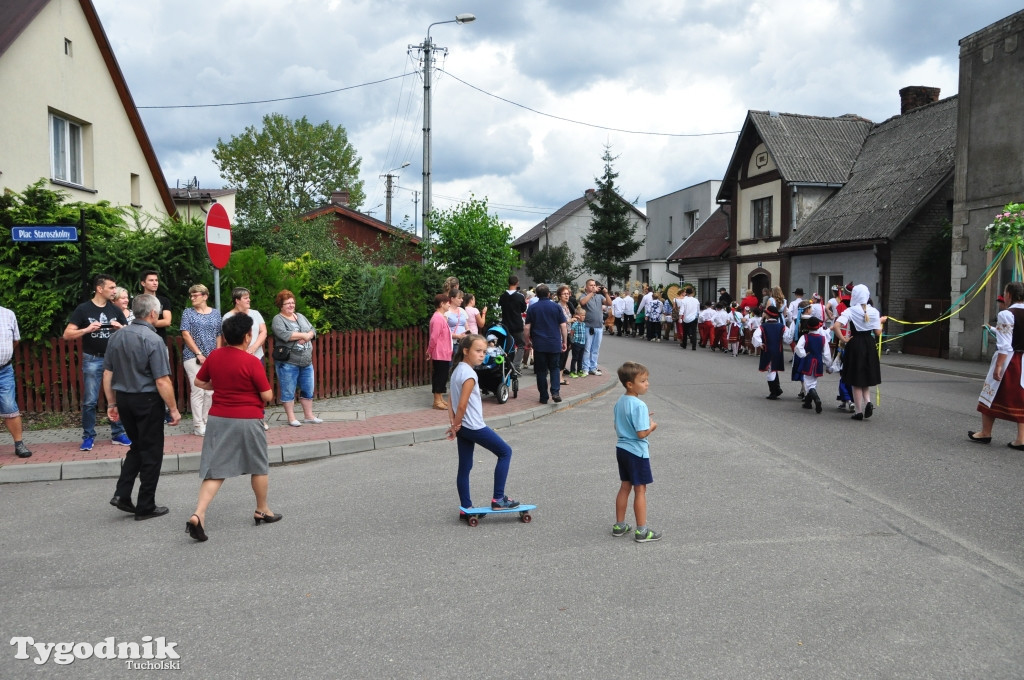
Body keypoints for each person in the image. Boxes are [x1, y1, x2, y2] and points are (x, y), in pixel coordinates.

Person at [185, 313, 279, 542]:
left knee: (215, 468)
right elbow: (267, 395)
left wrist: (217, 385)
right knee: (259, 466)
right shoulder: (251, 362)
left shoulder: (215, 356)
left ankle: (199, 513)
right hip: (247, 419)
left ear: (225, 336)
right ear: (247, 337)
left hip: (218, 419)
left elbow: (199, 381)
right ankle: (262, 509)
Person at [104, 294, 182, 520]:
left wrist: (111, 402)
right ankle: (145, 505)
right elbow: (162, 380)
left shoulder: (117, 336)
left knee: (137, 447)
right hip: (147, 400)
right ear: (152, 313)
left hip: (124, 399)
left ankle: (122, 494)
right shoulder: (153, 339)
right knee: (152, 452)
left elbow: (108, 372)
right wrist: (174, 409)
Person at [447, 334, 519, 519]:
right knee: (505, 452)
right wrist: (456, 425)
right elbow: (461, 404)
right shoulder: (469, 374)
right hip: (473, 426)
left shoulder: (456, 370)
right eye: (478, 351)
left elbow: (451, 401)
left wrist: (454, 424)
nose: (482, 355)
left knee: (465, 466)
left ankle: (466, 507)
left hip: (463, 427)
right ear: (465, 351)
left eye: (484, 352)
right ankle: (498, 499)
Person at [63, 273, 130, 451]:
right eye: (111, 288)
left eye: (115, 288)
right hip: (92, 358)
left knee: (117, 397)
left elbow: (130, 334)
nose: (114, 291)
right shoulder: (83, 309)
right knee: (90, 400)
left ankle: (118, 433)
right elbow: (67, 334)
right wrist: (86, 329)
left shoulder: (115, 310)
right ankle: (88, 436)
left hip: (113, 360)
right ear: (100, 289)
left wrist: (121, 328)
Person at [612, 361, 660, 543]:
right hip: (636, 452)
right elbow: (641, 434)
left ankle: (620, 525)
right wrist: (652, 426)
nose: (647, 383)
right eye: (643, 381)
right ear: (630, 384)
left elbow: (618, 425)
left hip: (622, 448)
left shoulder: (620, 401)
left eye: (647, 380)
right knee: (640, 489)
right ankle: (642, 530)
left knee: (625, 486)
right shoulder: (639, 405)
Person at [971, 282, 1024, 447]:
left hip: (1010, 360)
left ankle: (985, 433)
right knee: (1020, 398)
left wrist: (999, 366)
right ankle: (1021, 439)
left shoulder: (1007, 314)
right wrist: (994, 329)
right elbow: (1014, 333)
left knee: (990, 393)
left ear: (1009, 295)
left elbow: (1006, 344)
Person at [831, 284, 882, 420]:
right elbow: (877, 332)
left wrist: (843, 338)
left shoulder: (851, 310)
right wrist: (881, 322)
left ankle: (858, 411)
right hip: (869, 344)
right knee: (864, 376)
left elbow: (836, 326)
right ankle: (869, 402)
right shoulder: (874, 311)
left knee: (855, 378)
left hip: (855, 343)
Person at [271, 290, 320, 426]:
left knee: (308, 389)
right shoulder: (278, 319)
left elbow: (313, 330)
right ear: (281, 305)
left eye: (292, 303)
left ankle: (309, 416)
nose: (291, 305)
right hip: (288, 362)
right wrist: (304, 335)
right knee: (288, 390)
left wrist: (308, 335)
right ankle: (291, 418)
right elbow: (284, 334)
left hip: (306, 361)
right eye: (287, 303)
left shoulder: (300, 316)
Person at [222, 287, 269, 429]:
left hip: (256, 356)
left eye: (249, 297)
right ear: (237, 300)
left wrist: (254, 347)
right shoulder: (227, 317)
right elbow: (226, 339)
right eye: (245, 298)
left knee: (259, 387)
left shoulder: (255, 314)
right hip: (237, 359)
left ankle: (260, 416)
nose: (249, 300)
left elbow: (263, 331)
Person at [180, 284, 222, 436]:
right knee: (198, 390)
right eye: (191, 296)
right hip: (193, 357)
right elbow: (185, 334)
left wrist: (217, 354)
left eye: (195, 295)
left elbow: (218, 334)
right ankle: (198, 425)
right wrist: (198, 353)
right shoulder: (188, 313)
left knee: (210, 391)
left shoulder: (216, 313)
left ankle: (206, 421)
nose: (192, 298)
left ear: (205, 296)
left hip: (212, 357)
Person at [524, 284, 568, 404]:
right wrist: (564, 341)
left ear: (537, 295)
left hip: (539, 344)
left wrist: (527, 341)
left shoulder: (532, 308)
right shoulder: (556, 307)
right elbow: (563, 326)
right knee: (554, 368)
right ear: (549, 294)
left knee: (541, 371)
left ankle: (543, 396)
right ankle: (555, 392)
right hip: (554, 343)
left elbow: (527, 328)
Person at [0, 305, 31, 458]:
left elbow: (15, 341)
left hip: (4, 370)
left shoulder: (8, 314)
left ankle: (19, 445)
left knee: (9, 406)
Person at [794, 313, 832, 413]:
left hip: (808, 360)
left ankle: (816, 399)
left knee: (807, 382)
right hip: (818, 361)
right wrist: (828, 365)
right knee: (813, 381)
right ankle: (808, 402)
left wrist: (803, 354)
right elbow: (827, 354)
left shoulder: (805, 337)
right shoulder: (822, 339)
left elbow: (798, 347)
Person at [580, 280, 612, 375]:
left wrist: (606, 293)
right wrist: (592, 293)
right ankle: (585, 368)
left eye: (594, 285)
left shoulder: (599, 296)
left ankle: (593, 367)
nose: (593, 287)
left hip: (599, 327)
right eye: (591, 285)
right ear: (586, 287)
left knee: (595, 349)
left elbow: (609, 303)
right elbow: (582, 302)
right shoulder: (584, 296)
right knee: (587, 349)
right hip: (588, 326)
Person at [753, 306, 785, 399]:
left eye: (765, 313)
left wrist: (760, 343)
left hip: (768, 350)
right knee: (773, 368)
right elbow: (788, 336)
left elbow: (756, 336)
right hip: (778, 350)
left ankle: (774, 391)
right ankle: (777, 389)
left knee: (770, 370)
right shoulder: (782, 326)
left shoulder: (763, 327)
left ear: (768, 315)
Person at [427, 294, 452, 410]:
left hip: (444, 352)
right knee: (439, 376)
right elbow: (433, 337)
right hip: (439, 352)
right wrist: (429, 351)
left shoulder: (441, 317)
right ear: (441, 304)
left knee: (443, 375)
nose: (449, 304)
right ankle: (436, 401)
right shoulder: (437, 318)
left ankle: (440, 398)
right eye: (447, 303)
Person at [498, 276, 527, 372]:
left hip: (505, 325)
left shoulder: (503, 296)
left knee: (506, 345)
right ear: (517, 283)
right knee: (521, 345)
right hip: (517, 324)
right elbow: (523, 309)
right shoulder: (520, 296)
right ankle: (516, 366)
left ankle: (506, 364)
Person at [137, 270, 172, 339]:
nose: (155, 283)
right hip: (141, 339)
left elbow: (167, 321)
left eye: (156, 280)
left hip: (160, 340)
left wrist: (144, 323)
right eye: (151, 280)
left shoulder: (164, 301)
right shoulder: (137, 301)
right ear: (143, 283)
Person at [445, 289, 470, 355]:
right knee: (453, 364)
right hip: (452, 343)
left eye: (462, 298)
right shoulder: (446, 312)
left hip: (463, 343)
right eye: (459, 298)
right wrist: (457, 336)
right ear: (452, 299)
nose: (462, 300)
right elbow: (444, 330)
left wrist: (468, 333)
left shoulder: (462, 311)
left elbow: (467, 326)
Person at [568, 308, 587, 378]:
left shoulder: (584, 324)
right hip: (576, 343)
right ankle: (572, 371)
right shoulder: (575, 324)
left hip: (582, 343)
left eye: (584, 315)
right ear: (578, 316)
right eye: (582, 315)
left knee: (580, 358)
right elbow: (571, 333)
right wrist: (572, 342)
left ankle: (579, 371)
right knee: (575, 358)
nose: (584, 317)